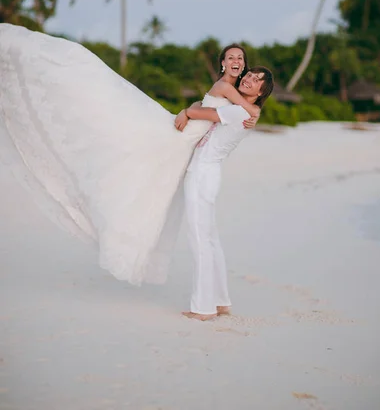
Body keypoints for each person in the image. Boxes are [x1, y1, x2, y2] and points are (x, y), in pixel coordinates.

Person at [0, 25, 260, 287]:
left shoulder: (226, 89)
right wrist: (247, 111)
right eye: (231, 58)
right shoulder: (227, 87)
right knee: (127, 152)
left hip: (183, 142)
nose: (236, 61)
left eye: (240, 58)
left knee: (145, 185)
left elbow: (201, 106)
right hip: (177, 139)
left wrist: (188, 110)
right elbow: (250, 109)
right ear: (223, 64)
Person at [174, 67, 274, 321]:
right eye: (250, 75)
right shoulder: (243, 111)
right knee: (210, 240)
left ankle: (203, 307)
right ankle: (220, 302)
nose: (250, 80)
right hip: (209, 173)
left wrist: (186, 111)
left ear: (263, 92)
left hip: (202, 174)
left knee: (200, 240)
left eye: (257, 80)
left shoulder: (238, 111)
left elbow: (198, 112)